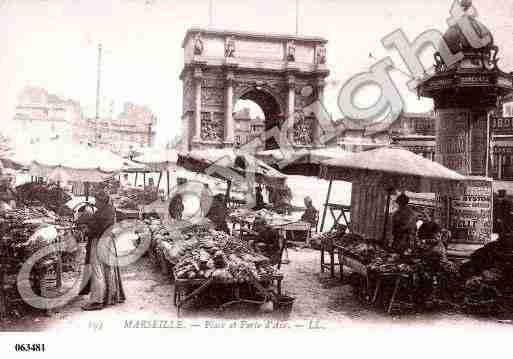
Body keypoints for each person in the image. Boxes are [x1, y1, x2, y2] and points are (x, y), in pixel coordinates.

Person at [76, 189, 125, 311]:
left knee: (97, 271)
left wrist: (87, 227)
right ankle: (111, 296)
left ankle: (97, 301)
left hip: (99, 242)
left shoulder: (103, 213)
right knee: (108, 270)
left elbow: (98, 229)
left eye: (96, 201)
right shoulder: (109, 210)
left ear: (102, 201)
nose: (95, 203)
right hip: (108, 242)